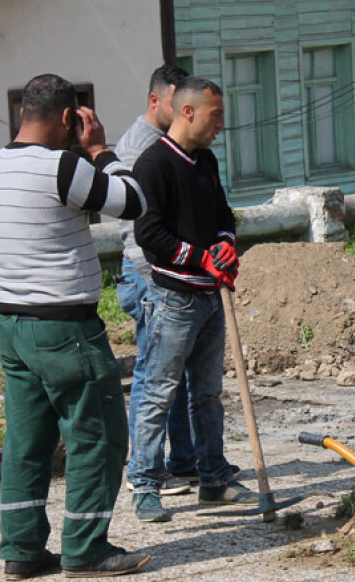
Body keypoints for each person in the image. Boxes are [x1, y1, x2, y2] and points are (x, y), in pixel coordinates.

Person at [0, 74, 151, 579]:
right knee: (98, 435)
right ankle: (86, 548)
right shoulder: (63, 167)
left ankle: (22, 551)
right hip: (66, 325)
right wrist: (99, 149)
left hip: (12, 325)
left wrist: (7, 313)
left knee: (26, 442)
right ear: (69, 118)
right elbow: (132, 200)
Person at [129, 76, 253, 522]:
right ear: (188, 112)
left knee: (208, 395)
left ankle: (213, 479)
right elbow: (150, 235)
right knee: (159, 393)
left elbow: (223, 214)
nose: (222, 124)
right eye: (216, 115)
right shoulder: (153, 164)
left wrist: (224, 245)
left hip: (210, 298)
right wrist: (202, 258)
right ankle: (144, 484)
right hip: (173, 300)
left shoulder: (206, 161)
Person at [114, 64, 196, 497]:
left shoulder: (173, 144)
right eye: (175, 103)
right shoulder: (137, 149)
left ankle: (185, 460)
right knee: (152, 374)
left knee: (176, 372)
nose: (186, 112)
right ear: (154, 101)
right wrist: (155, 281)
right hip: (147, 274)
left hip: (168, 274)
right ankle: (144, 471)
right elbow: (136, 227)